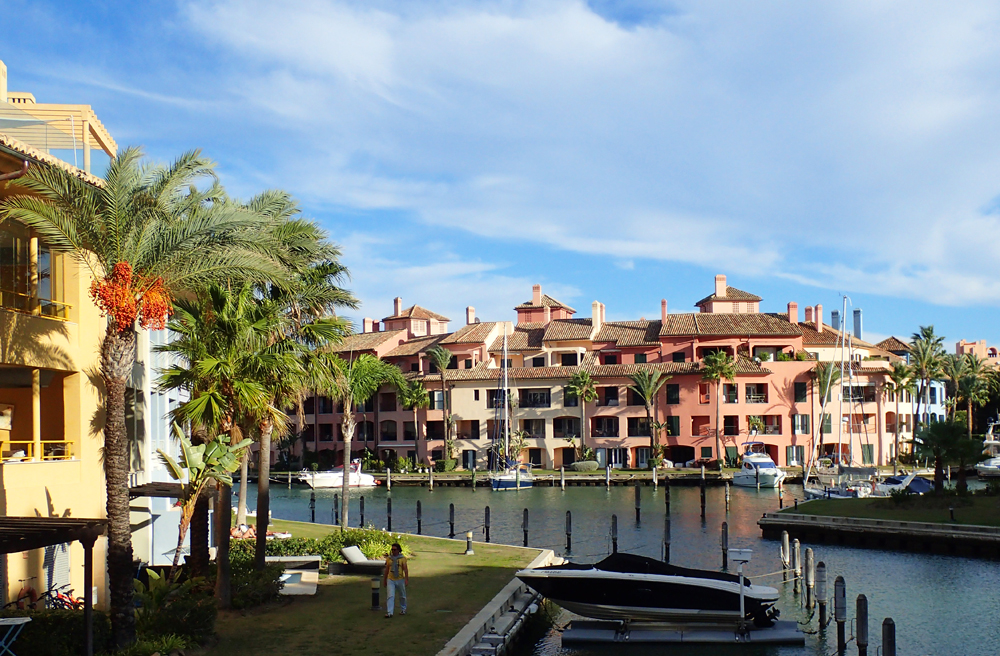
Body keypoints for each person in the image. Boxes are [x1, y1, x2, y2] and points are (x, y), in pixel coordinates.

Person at [383, 542, 408, 617]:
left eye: (395, 550)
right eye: (392, 550)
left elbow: (405, 569)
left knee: (402, 595)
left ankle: (403, 609)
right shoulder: (389, 559)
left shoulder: (402, 559)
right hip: (391, 579)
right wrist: (385, 580)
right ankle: (389, 612)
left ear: (398, 550)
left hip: (400, 579)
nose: (393, 551)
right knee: (390, 596)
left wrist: (406, 579)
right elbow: (387, 569)